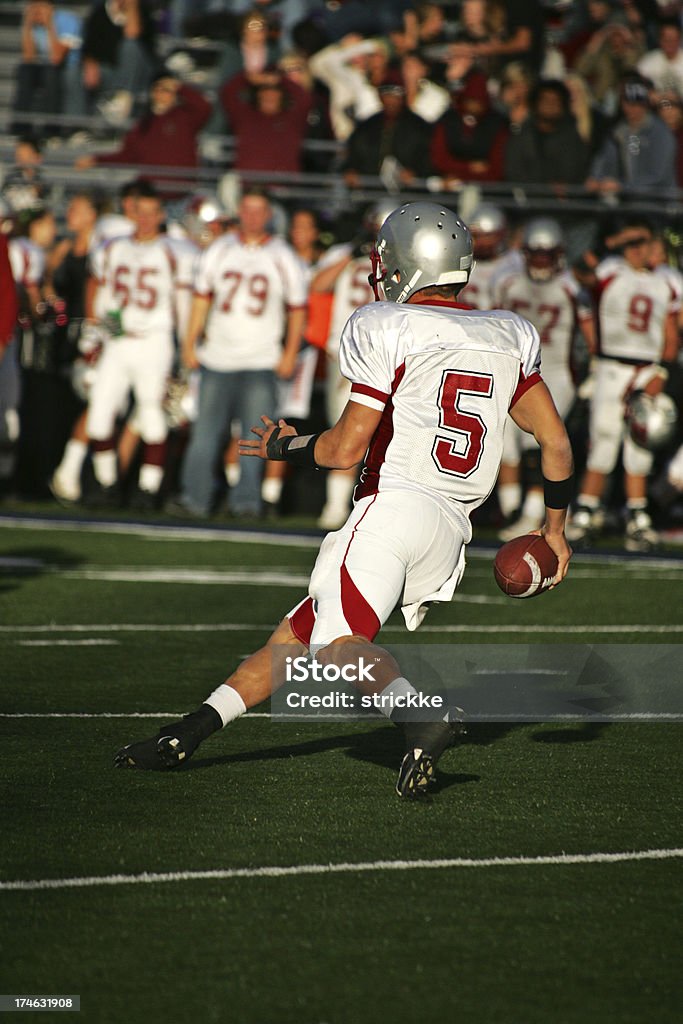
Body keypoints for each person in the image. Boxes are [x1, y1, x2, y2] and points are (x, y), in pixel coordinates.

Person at [115, 200, 574, 800]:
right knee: (294, 641)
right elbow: (556, 441)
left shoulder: (386, 323)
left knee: (337, 650)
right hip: (450, 529)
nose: (379, 270)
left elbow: (342, 449)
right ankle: (187, 734)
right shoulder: (507, 334)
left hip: (392, 507)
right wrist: (555, 530)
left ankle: (418, 718)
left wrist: (291, 446)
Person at [170, 188, 308, 518]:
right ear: (239, 211)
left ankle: (247, 502)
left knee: (254, 437)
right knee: (205, 434)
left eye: (259, 211)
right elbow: (201, 300)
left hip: (261, 360)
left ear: (269, 215)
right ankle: (195, 499)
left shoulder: (283, 255)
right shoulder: (219, 250)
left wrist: (289, 352)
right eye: (247, 209)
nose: (252, 217)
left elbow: (297, 310)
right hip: (217, 357)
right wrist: (190, 343)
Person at [566, 219, 680, 552]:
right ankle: (587, 510)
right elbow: (580, 270)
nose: (637, 250)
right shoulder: (611, 270)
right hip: (611, 366)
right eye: (632, 244)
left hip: (646, 369)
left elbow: (671, 335)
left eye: (643, 243)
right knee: (603, 439)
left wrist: (661, 372)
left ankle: (636, 516)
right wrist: (615, 241)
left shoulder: (666, 283)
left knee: (639, 447)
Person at [83, 182, 196, 508]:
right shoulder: (111, 247)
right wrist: (98, 331)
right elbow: (101, 290)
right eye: (139, 212)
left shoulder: (174, 250)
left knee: (151, 413)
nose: (145, 219)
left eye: (151, 213)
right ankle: (107, 486)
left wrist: (186, 346)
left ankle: (148, 489)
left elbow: (183, 304)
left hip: (155, 341)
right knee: (99, 415)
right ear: (130, 211)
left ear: (160, 215)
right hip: (118, 340)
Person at [493, 218, 595, 538]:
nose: (539, 261)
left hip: (556, 371)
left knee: (543, 442)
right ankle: (518, 510)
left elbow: (591, 335)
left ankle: (535, 512)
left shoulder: (570, 286)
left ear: (558, 254)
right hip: (517, 369)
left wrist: (590, 372)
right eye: (534, 255)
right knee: (510, 443)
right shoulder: (508, 282)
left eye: (545, 255)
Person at [75, 71, 212, 199]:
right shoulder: (143, 125)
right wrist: (96, 160)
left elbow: (204, 107)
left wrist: (179, 87)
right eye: (157, 89)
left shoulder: (185, 117)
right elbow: (127, 155)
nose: (161, 94)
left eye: (167, 90)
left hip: (183, 194)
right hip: (151, 197)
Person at [586, 75, 677, 196]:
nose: (631, 109)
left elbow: (657, 175)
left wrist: (623, 186)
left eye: (636, 104)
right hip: (628, 205)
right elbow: (605, 159)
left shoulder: (660, 133)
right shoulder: (618, 132)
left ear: (645, 104)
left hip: (658, 204)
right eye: (628, 103)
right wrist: (596, 178)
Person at [341, 72, 432, 188]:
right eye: (386, 94)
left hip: (408, 193)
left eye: (396, 94)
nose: (391, 100)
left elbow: (429, 158)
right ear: (379, 96)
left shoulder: (419, 127)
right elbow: (353, 153)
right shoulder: (367, 126)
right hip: (371, 192)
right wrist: (351, 170)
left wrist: (416, 173)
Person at [504, 79, 591, 190]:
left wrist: (565, 189)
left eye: (555, 101)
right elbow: (513, 173)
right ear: (535, 103)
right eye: (545, 100)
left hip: (565, 202)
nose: (550, 105)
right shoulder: (521, 137)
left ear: (563, 105)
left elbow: (578, 172)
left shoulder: (573, 140)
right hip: (527, 201)